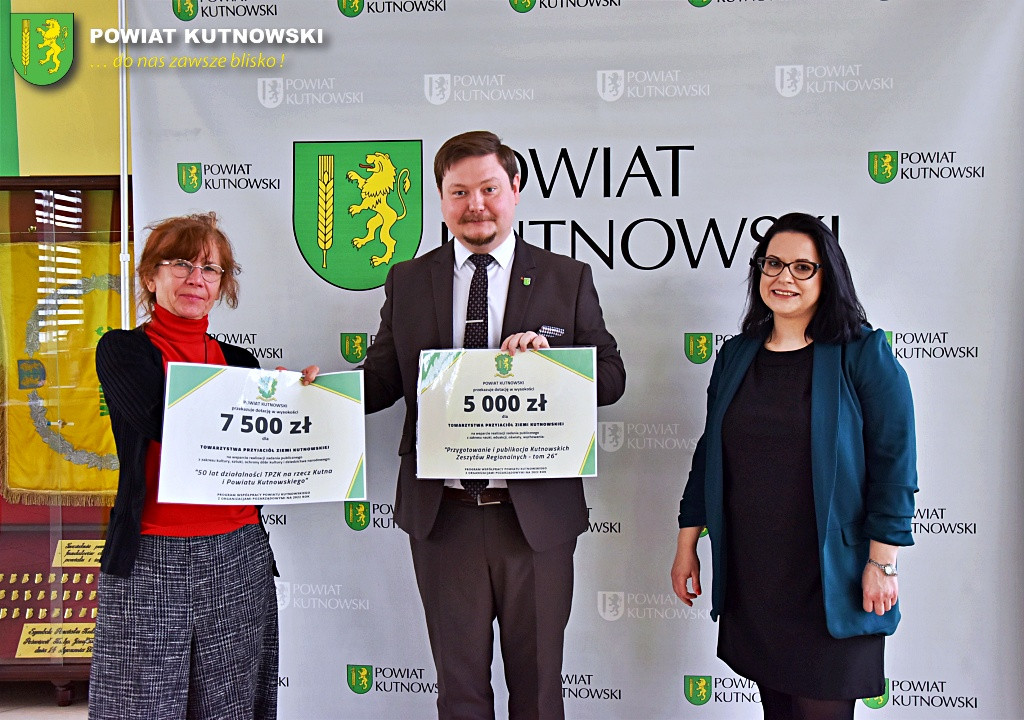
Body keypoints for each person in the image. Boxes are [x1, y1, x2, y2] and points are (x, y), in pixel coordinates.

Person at [360, 130, 625, 719]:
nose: (475, 204)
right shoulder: (409, 280)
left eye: (488, 189)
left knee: (539, 694)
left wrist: (554, 366)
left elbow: (611, 379)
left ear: (515, 190)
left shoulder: (566, 277)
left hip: (534, 520)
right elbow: (380, 380)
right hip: (444, 517)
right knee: (459, 694)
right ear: (441, 199)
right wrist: (310, 398)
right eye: (459, 192)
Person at [671, 212, 917, 720]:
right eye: (773, 263)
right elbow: (709, 452)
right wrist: (686, 542)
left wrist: (882, 563)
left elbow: (894, 465)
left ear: (828, 276)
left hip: (833, 578)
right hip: (757, 576)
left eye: (803, 267)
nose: (784, 277)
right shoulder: (736, 355)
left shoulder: (863, 353)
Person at [89, 212, 317, 720]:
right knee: (140, 706)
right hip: (150, 556)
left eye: (210, 269)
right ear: (151, 277)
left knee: (230, 707)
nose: (196, 278)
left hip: (239, 553)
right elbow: (160, 417)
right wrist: (248, 409)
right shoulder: (123, 351)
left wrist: (290, 403)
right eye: (181, 264)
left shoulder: (242, 364)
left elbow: (260, 457)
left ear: (221, 286)